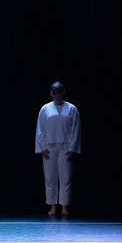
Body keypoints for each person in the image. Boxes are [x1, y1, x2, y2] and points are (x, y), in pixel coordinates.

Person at [35, 82, 81, 217]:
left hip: (65, 147)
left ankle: (64, 207)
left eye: (59, 93)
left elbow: (75, 129)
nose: (57, 96)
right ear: (51, 94)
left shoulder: (71, 108)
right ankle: (53, 206)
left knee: (66, 178)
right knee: (50, 178)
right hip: (50, 147)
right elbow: (40, 129)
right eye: (55, 93)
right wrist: (43, 147)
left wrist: (72, 148)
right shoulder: (45, 109)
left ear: (63, 93)